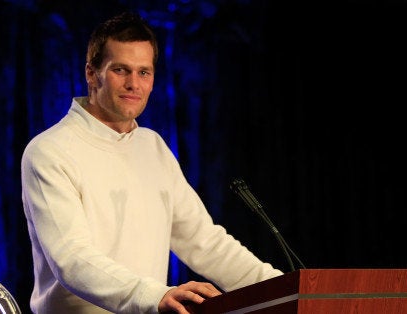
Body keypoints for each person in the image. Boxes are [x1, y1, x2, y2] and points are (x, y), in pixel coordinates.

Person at [20, 12, 283, 314]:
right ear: (92, 74)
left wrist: (286, 287)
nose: (134, 83)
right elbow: (71, 259)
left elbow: (205, 243)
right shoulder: (49, 151)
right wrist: (154, 294)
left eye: (144, 72)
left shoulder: (152, 146)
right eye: (121, 70)